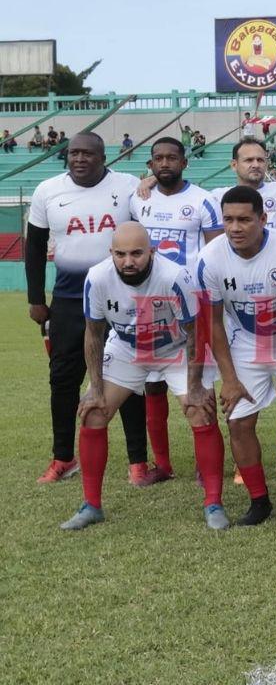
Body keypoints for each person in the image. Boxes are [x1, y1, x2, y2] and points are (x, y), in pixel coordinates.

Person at [60, 223, 225, 531]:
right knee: (94, 413)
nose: (128, 261)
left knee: (200, 411)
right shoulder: (97, 278)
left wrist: (194, 387)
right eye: (120, 254)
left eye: (136, 253)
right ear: (111, 253)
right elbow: (93, 334)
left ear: (152, 251)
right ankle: (91, 506)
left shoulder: (175, 277)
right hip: (126, 348)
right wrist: (95, 389)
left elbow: (195, 333)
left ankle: (213, 503)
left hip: (174, 347)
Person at [26, 132, 151, 485]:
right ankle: (63, 457)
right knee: (63, 379)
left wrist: (152, 177)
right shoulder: (47, 190)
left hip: (122, 297)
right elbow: (34, 247)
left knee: (128, 379)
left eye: (87, 153)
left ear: (103, 156)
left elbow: (156, 197)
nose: (79, 159)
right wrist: (36, 298)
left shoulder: (127, 186)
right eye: (73, 153)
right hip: (67, 299)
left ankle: (137, 461)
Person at [197, 186, 276, 528]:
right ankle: (259, 502)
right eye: (228, 220)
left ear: (263, 219)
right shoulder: (208, 258)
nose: (235, 227)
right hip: (245, 342)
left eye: (244, 220)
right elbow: (213, 322)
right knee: (238, 421)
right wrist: (230, 379)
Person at [129, 137, 222, 484]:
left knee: (202, 381)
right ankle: (163, 465)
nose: (165, 163)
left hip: (192, 302)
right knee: (153, 384)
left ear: (184, 162)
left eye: (171, 158)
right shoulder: (139, 199)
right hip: (149, 303)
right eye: (158, 159)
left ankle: (205, 463)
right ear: (150, 165)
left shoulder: (203, 200)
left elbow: (214, 254)